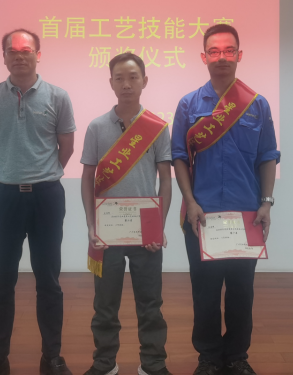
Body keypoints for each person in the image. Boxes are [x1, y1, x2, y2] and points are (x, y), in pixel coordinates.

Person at [171, 24, 280, 375]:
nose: (222, 57)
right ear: (204, 57)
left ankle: (236, 357)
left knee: (241, 292)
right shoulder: (188, 104)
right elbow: (179, 158)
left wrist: (266, 202)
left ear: (239, 55)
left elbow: (267, 156)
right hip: (201, 215)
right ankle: (208, 357)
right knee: (204, 292)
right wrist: (190, 201)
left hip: (246, 214)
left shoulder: (257, 105)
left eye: (228, 50)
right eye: (214, 51)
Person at [0, 29, 76, 375]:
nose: (18, 55)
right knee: (1, 282)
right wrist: (0, 177)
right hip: (3, 199)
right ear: (3, 57)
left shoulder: (58, 97)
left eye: (25, 50)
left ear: (37, 55)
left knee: (49, 282)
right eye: (11, 50)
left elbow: (66, 147)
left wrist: (43, 174)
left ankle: (52, 357)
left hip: (47, 197)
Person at [80, 52, 173, 375]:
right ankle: (105, 363)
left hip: (146, 231)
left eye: (133, 77)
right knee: (105, 305)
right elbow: (87, 179)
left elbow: (166, 180)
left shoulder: (157, 127)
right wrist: (91, 225)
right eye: (119, 78)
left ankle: (153, 363)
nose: (127, 84)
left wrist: (159, 226)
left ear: (144, 81)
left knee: (151, 305)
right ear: (111, 83)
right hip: (107, 231)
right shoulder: (96, 127)